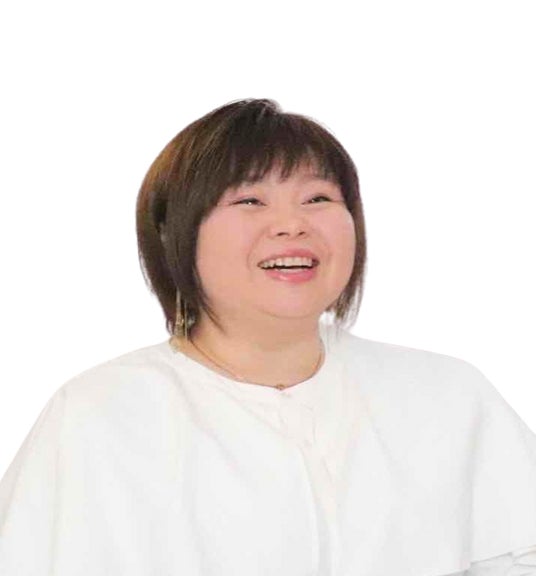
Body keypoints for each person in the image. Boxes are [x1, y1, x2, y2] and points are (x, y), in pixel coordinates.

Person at [0, 98, 535, 575]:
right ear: (173, 233)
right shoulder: (102, 415)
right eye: (250, 201)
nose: (291, 224)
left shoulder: (446, 395)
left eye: (318, 198)